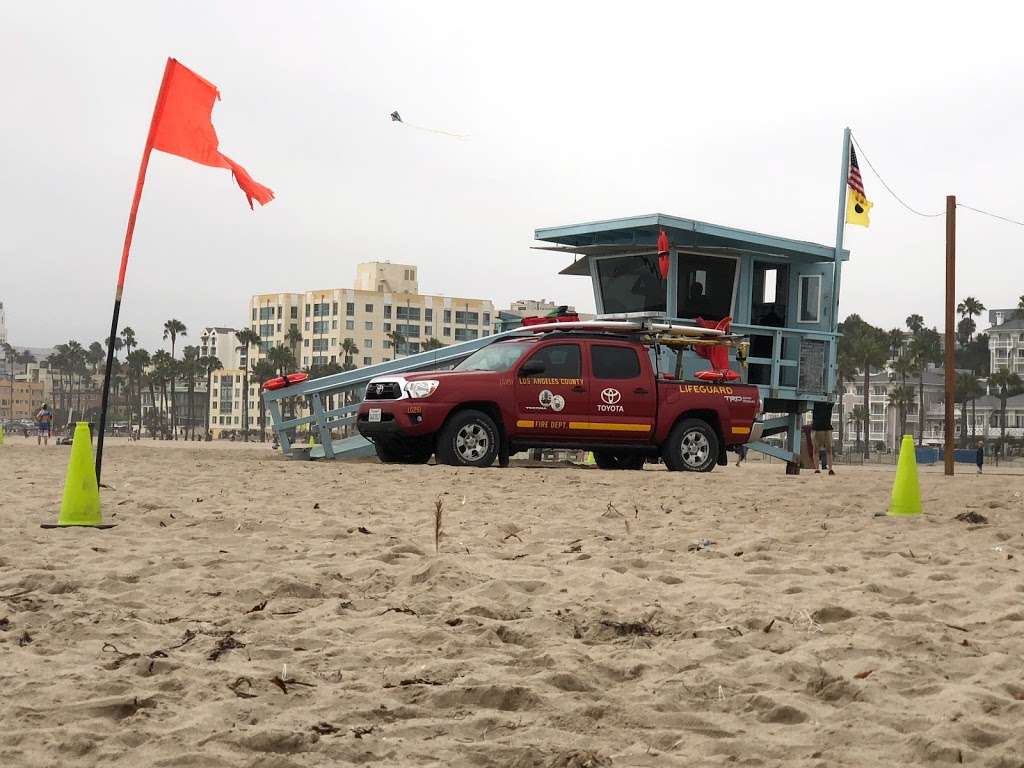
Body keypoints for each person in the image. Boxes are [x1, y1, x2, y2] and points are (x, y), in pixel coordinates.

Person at [811, 400, 835, 475]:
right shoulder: (826, 402)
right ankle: (819, 469)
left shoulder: (815, 401)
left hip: (819, 428)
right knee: (826, 450)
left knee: (818, 450)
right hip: (824, 427)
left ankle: (825, 469)